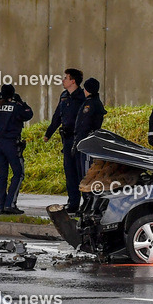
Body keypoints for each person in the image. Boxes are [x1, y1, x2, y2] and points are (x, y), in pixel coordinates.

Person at [44, 68, 86, 213]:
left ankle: (86, 204)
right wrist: (48, 133)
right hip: (67, 139)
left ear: (73, 81)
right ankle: (73, 203)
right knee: (70, 173)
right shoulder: (64, 96)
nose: (63, 80)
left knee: (82, 172)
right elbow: (57, 116)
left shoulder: (82, 96)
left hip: (79, 139)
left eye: (66, 78)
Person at [0, 84, 33, 215]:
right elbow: (29, 114)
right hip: (11, 144)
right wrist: (21, 102)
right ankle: (10, 204)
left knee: (1, 176)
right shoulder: (16, 107)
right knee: (18, 173)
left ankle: (1, 206)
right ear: (12, 94)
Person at [72, 77, 107, 207]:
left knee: (87, 174)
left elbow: (86, 124)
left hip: (88, 143)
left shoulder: (92, 104)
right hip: (83, 142)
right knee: (82, 173)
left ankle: (89, 202)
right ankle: (87, 201)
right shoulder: (88, 102)